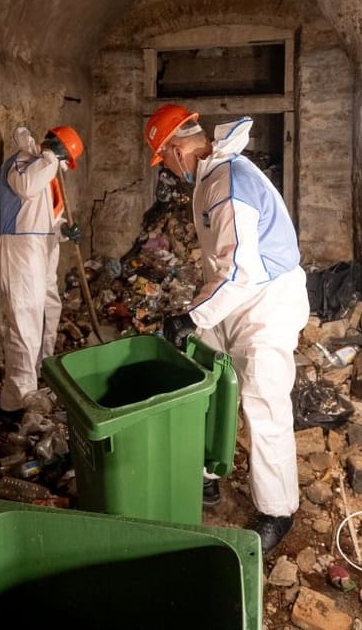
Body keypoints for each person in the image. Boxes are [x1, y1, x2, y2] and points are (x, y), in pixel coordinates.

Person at [144, 103, 310, 555]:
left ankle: (278, 511)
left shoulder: (229, 184)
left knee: (262, 401)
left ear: (178, 150)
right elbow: (224, 265)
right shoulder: (214, 176)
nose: (169, 169)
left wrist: (189, 316)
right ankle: (207, 471)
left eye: (165, 159)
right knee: (210, 377)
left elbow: (240, 273)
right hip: (236, 299)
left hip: (266, 303)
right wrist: (198, 316)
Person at [0, 125, 85, 419]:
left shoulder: (48, 175)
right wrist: (50, 159)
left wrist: (64, 232)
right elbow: (25, 188)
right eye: (64, 160)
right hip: (20, 251)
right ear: (55, 149)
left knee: (49, 311)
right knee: (25, 326)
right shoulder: (24, 162)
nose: (62, 167)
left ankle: (42, 375)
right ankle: (17, 404)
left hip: (42, 249)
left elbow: (47, 220)